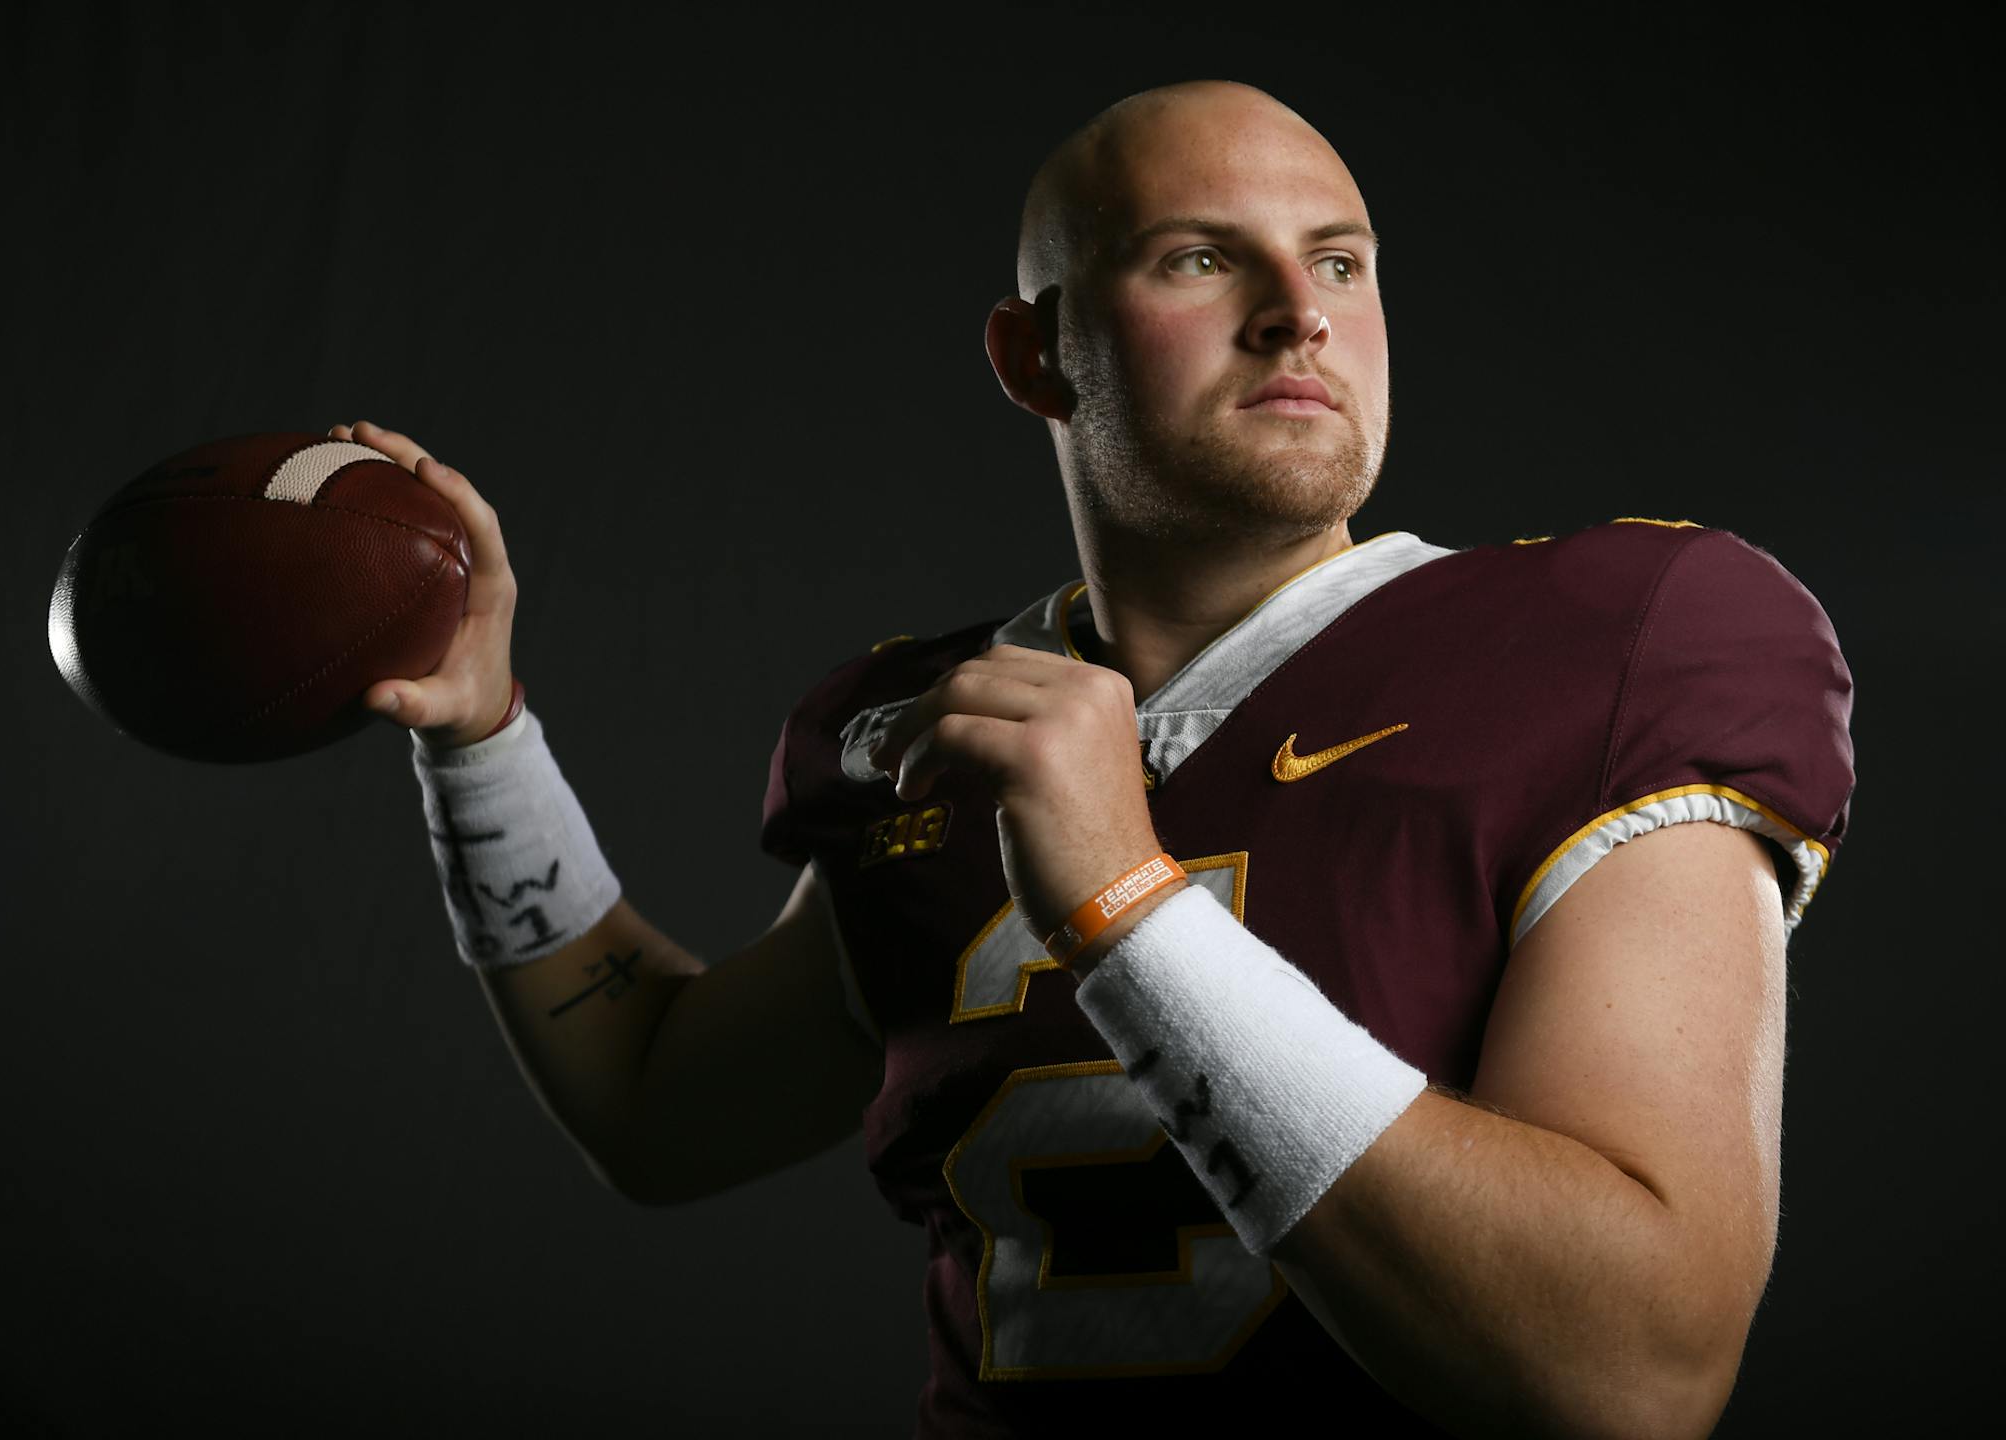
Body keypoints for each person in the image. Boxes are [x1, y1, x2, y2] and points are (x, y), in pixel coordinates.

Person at [338, 79, 1854, 1438]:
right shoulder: (951, 721)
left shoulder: (1616, 637)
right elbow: (662, 1107)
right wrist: (482, 739)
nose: (1297, 311)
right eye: (1200, 258)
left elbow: (1634, 1380)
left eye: (1339, 260)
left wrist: (1125, 903)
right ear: (1036, 353)